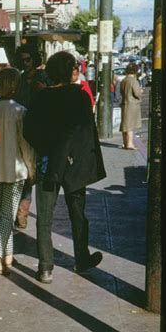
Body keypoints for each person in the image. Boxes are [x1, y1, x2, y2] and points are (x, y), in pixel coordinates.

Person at [23, 50, 106, 284]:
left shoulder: (41, 98)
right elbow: (85, 133)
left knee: (45, 218)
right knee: (78, 214)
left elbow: (28, 129)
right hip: (73, 164)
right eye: (73, 68)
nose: (75, 71)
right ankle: (81, 258)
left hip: (48, 164)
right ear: (68, 71)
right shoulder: (79, 97)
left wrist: (46, 148)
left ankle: (45, 267)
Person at [0, 67, 36, 274]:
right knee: (7, 216)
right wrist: (32, 169)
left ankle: (8, 256)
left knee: (3, 214)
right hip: (15, 170)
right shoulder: (19, 111)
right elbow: (25, 145)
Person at [14, 46, 50, 230]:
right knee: (25, 171)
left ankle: (23, 211)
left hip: (39, 130)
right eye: (22, 60)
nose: (25, 63)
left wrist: (43, 90)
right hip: (21, 129)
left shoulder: (42, 77)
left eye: (28, 59)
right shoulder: (19, 79)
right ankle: (21, 211)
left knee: (34, 172)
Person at [119, 63, 142, 150]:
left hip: (124, 103)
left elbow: (121, 92)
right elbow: (136, 93)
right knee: (130, 126)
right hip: (132, 105)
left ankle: (125, 143)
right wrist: (141, 92)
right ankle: (130, 144)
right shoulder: (133, 81)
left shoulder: (124, 80)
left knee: (125, 124)